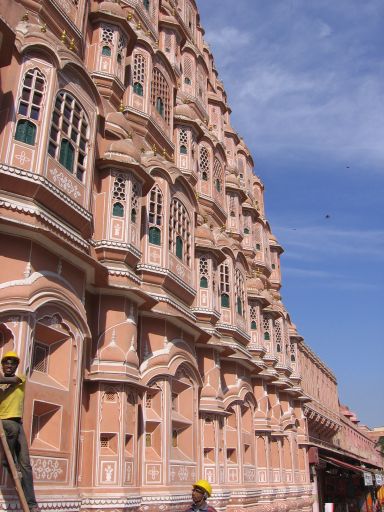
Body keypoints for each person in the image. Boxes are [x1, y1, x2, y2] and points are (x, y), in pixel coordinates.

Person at [0, 351, 39, 512]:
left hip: (17, 422)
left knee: (26, 464)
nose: (9, 365)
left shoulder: (20, 378)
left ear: (16, 366)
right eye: (6, 363)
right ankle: (8, 463)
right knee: (9, 458)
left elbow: (11, 380)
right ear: (2, 365)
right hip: (4, 422)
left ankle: (31, 503)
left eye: (12, 363)